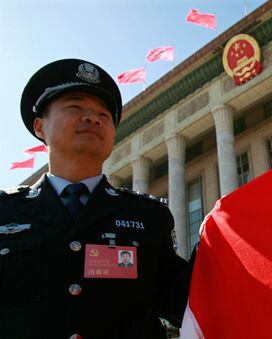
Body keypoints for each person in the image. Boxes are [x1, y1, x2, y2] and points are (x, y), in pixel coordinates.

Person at [0, 59, 191, 339]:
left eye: (104, 114)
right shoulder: (6, 213)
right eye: (75, 107)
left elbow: (186, 303)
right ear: (40, 127)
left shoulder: (148, 217)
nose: (92, 118)